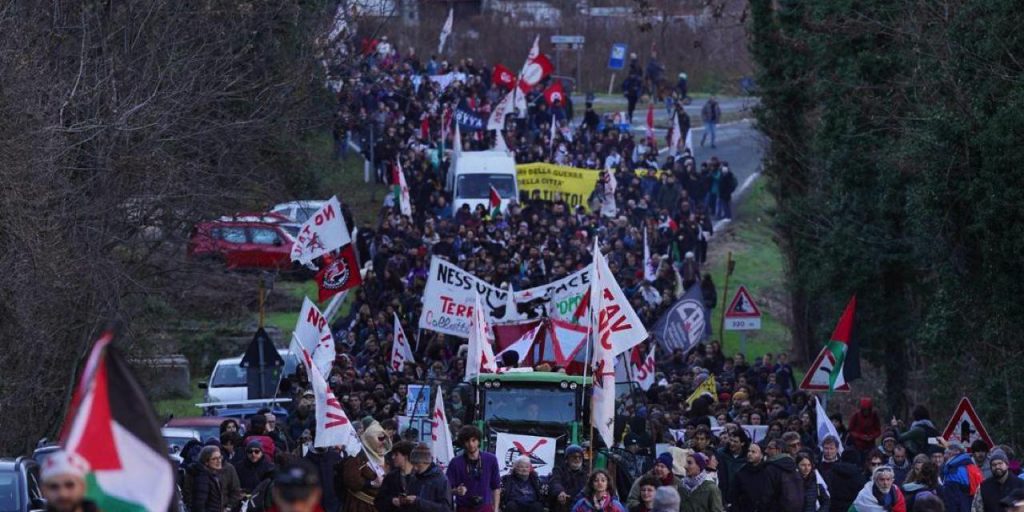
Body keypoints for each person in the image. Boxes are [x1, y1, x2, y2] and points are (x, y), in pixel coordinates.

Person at [447, 425, 501, 512]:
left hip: (485, 507)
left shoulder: (491, 459)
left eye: (474, 440)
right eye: (467, 441)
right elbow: (446, 489)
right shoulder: (455, 462)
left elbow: (496, 487)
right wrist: (456, 491)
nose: (471, 444)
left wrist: (495, 509)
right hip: (464, 508)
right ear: (463, 443)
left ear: (479, 441)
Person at [341, 421, 390, 512]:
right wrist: (371, 483)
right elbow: (350, 480)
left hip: (379, 505)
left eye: (384, 439)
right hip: (360, 505)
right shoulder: (357, 456)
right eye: (380, 439)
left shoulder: (385, 457)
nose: (383, 442)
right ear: (371, 439)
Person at [402, 443, 453, 512]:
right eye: (413, 464)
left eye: (418, 464)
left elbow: (445, 509)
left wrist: (418, 501)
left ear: (427, 462)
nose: (415, 468)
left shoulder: (441, 480)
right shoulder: (414, 478)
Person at [730, 442, 775, 512]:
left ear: (761, 455)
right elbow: (735, 497)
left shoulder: (768, 472)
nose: (749, 454)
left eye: (753, 452)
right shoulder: (741, 473)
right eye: (749, 451)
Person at [939, 441, 982, 512]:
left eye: (950, 448)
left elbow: (952, 499)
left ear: (957, 451)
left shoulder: (954, 469)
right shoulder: (968, 464)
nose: (946, 450)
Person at [375, 441, 416, 512]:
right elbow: (378, 501)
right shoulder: (390, 477)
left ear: (405, 456)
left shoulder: (420, 476)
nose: (393, 457)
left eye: (396, 455)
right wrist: (392, 501)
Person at [550, 445, 588, 512]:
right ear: (567, 459)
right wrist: (560, 492)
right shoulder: (559, 469)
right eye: (574, 457)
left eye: (580, 457)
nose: (577, 459)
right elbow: (555, 482)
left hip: (582, 501)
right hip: (565, 501)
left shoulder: (587, 471)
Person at [190, 446, 225, 512]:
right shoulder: (203, 478)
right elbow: (199, 506)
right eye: (214, 459)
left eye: (220, 457)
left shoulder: (214, 475)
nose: (219, 461)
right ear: (206, 462)